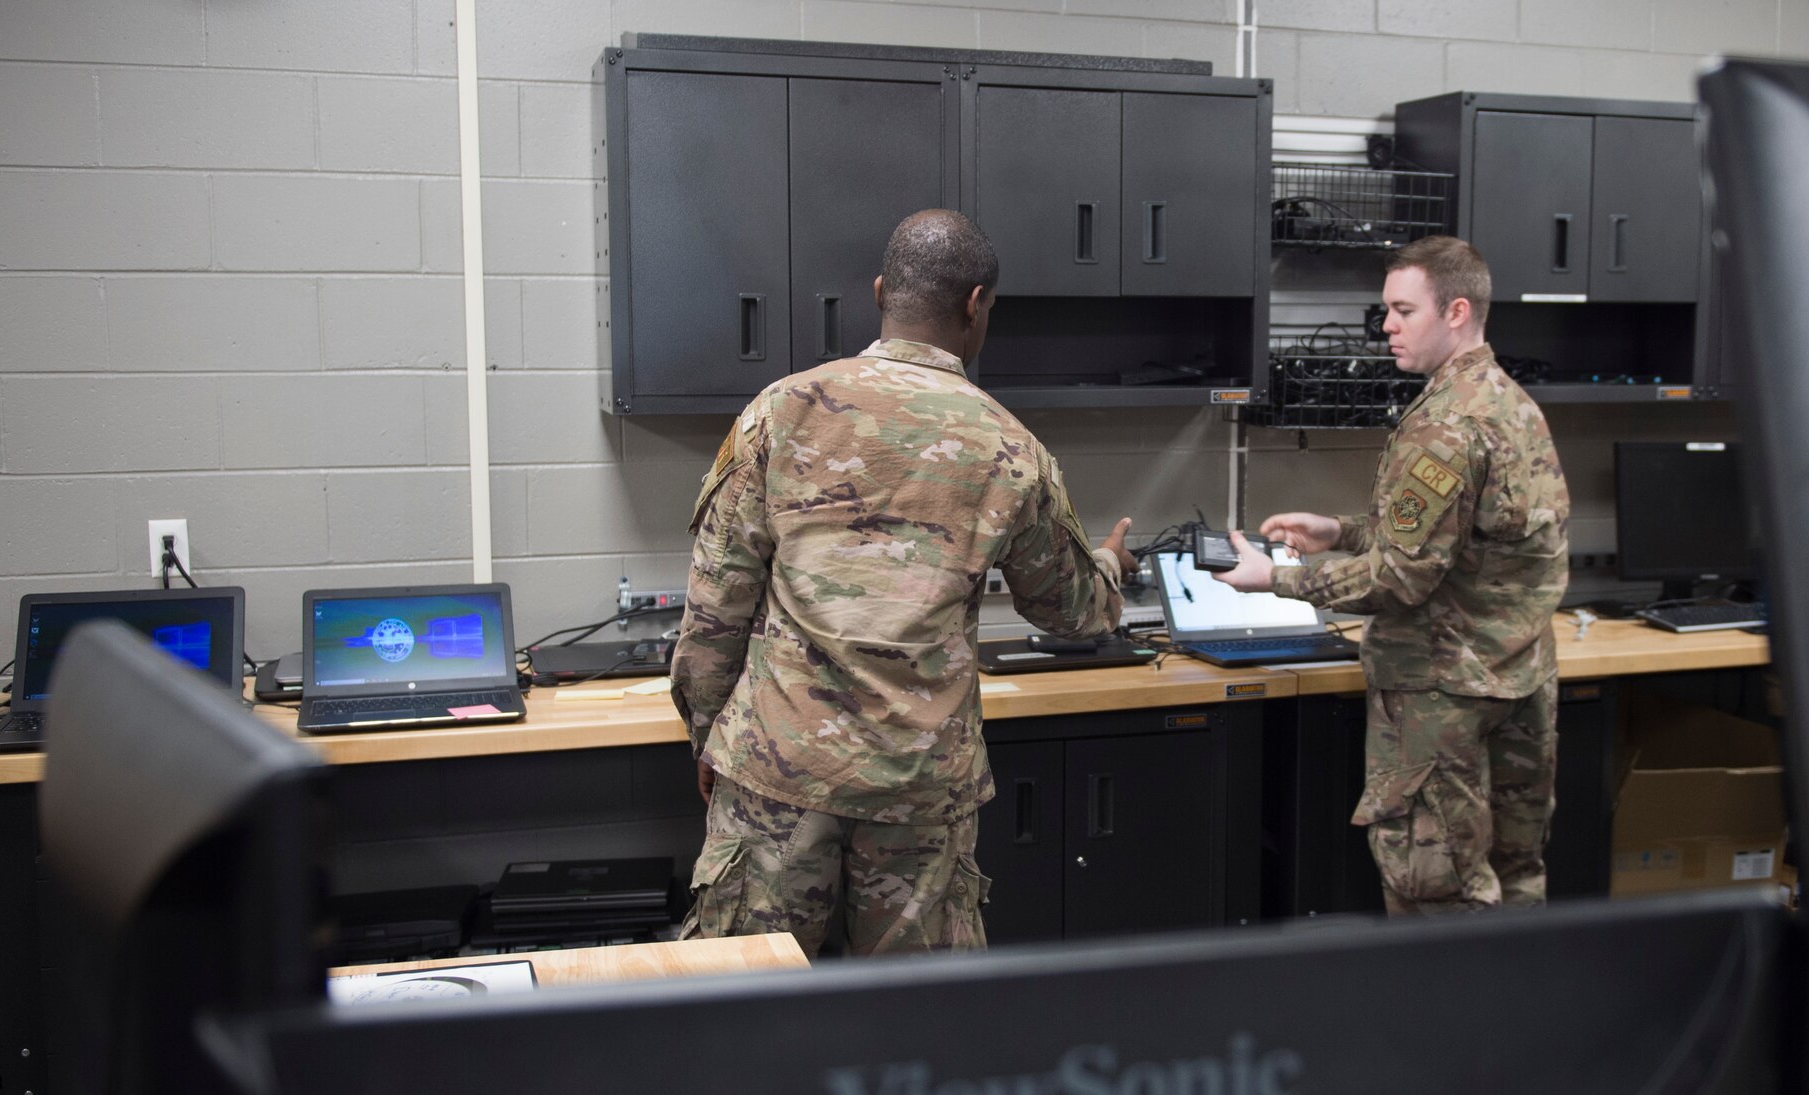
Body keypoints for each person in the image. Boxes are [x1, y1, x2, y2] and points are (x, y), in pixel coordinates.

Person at [669, 209, 1137, 958]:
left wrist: (709, 737)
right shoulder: (1011, 445)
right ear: (977, 304)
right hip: (919, 795)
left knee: (750, 1025)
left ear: (881, 291)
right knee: (914, 1034)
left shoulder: (780, 412)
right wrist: (1113, 560)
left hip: (778, 778)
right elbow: (1074, 610)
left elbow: (714, 608)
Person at [1215, 236, 1570, 915]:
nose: (1387, 327)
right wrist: (1341, 531)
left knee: (1436, 891)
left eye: (1404, 310)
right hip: (1518, 678)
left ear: (1457, 310)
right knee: (1515, 875)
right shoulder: (1513, 407)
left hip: (1441, 697)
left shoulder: (1443, 423)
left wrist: (1277, 580)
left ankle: (1448, 1025)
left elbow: (1401, 578)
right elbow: (1475, 541)